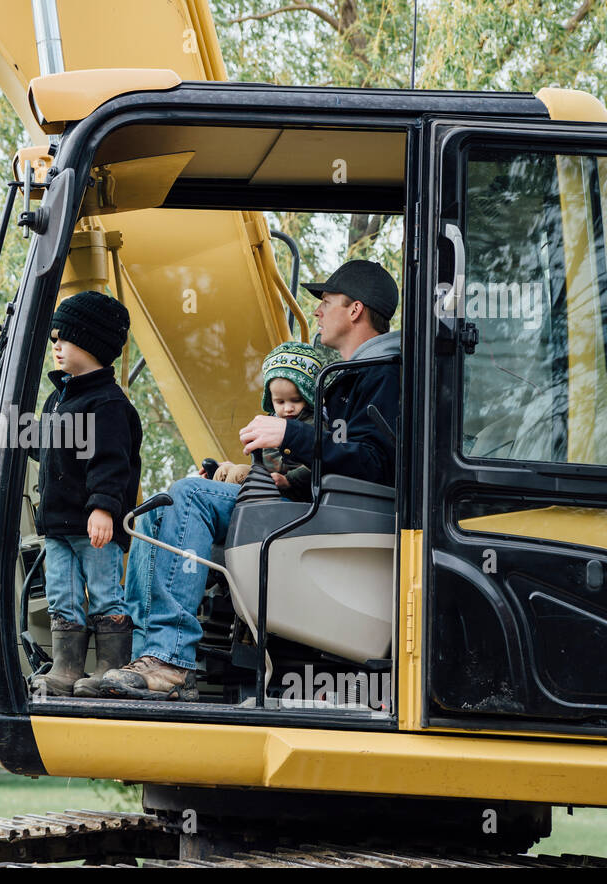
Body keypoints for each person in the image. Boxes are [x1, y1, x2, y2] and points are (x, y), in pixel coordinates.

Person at [98, 260, 401, 701]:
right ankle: (144, 655)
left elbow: (377, 462)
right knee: (166, 503)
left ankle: (169, 659)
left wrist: (290, 434)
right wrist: (287, 481)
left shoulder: (383, 372)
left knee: (189, 498)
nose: (316, 313)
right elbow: (343, 460)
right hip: (312, 502)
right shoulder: (355, 374)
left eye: (327, 303)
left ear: (355, 310)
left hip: (342, 518)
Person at [29, 290, 143, 698]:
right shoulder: (56, 400)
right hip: (58, 527)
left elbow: (113, 464)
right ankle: (66, 668)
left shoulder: (108, 404)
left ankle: (111, 667)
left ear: (91, 343)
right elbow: (42, 449)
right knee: (62, 595)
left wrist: (104, 509)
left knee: (105, 592)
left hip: (95, 526)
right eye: (53, 339)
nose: (55, 346)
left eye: (64, 338)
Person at [211, 340, 333, 503]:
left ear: (309, 396)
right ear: (271, 399)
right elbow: (263, 464)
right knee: (225, 470)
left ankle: (223, 513)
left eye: (295, 400)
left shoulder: (314, 424)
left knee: (239, 473)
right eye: (280, 402)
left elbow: (321, 462)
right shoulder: (271, 423)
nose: (288, 408)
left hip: (295, 492)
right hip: (269, 482)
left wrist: (290, 480)